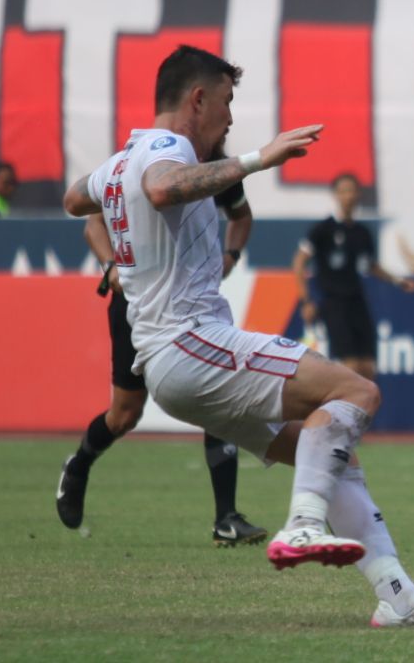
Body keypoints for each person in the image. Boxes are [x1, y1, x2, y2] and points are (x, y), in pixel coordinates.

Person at [62, 45, 414, 627]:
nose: (229, 119)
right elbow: (159, 189)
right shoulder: (167, 149)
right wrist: (259, 158)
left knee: (331, 454)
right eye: (226, 103)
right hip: (190, 344)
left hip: (171, 366)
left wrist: (112, 179)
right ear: (197, 99)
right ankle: (302, 524)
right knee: (359, 393)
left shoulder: (124, 159)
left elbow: (75, 198)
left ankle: (399, 599)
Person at [56, 169, 267, 547]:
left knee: (217, 394)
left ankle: (226, 518)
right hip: (137, 302)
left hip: (192, 306)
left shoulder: (214, 167)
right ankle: (79, 464)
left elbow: (241, 215)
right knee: (124, 416)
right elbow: (93, 223)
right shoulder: (143, 166)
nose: (225, 124)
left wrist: (231, 255)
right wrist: (110, 265)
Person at [292, 173, 414, 380]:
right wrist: (306, 301)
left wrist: (398, 281)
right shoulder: (323, 229)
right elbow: (299, 262)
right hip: (334, 302)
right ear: (335, 195)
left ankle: (363, 412)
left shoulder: (362, 232)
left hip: (357, 300)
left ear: (358, 194)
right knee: (350, 365)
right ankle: (344, 411)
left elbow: (370, 265)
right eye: (343, 191)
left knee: (368, 367)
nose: (348, 196)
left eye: (352, 190)